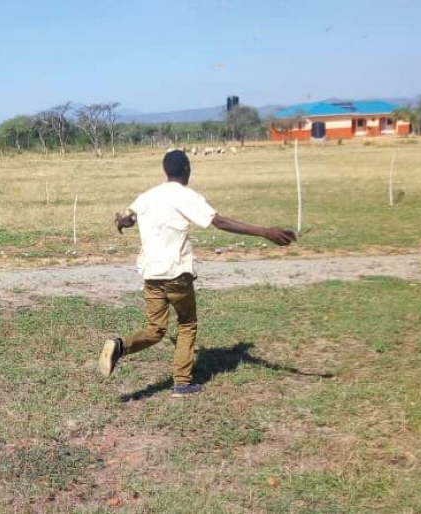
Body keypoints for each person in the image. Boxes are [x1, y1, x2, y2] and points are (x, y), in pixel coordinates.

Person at [98, 149, 296, 397]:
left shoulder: (147, 196)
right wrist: (265, 232)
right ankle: (182, 383)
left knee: (155, 329)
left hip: (151, 275)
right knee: (187, 324)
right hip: (176, 275)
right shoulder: (186, 196)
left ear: (165, 171)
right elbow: (220, 222)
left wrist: (120, 222)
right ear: (187, 170)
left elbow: (130, 218)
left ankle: (119, 346)